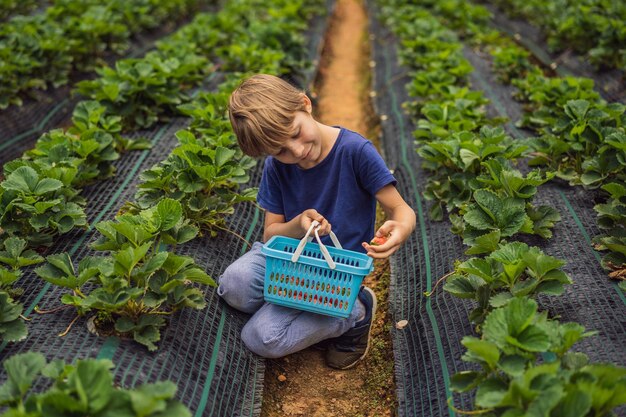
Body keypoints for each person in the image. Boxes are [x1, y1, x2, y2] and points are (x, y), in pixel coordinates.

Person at [217, 74, 416, 369]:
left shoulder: (355, 152)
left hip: (335, 272)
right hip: (287, 259)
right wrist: (298, 225)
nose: (296, 151)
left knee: (261, 338)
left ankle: (355, 313)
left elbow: (402, 210)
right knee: (233, 285)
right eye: (280, 150)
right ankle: (293, 304)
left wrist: (400, 227)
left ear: (305, 104)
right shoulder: (276, 167)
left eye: (296, 133)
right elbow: (272, 236)